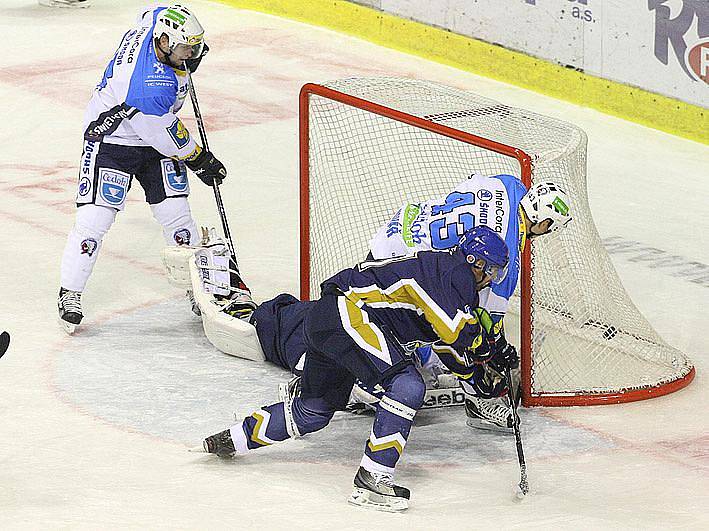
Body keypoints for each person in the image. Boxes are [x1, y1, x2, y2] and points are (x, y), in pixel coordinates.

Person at [197, 226, 515, 512]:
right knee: (407, 384)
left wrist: (481, 380)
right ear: (477, 262)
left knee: (312, 411)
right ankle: (373, 477)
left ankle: (232, 439)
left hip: (330, 319)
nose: (492, 279)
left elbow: (448, 347)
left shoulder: (446, 274)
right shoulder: (453, 272)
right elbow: (457, 333)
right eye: (493, 271)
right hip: (349, 313)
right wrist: (490, 351)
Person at [57, 4, 249, 333]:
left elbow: (153, 11)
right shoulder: (148, 85)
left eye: (196, 45)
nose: (194, 53)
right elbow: (165, 136)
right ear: (164, 42)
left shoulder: (155, 28)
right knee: (94, 221)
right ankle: (70, 292)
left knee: (178, 219)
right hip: (113, 143)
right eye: (188, 48)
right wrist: (201, 160)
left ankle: (197, 290)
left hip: (154, 136)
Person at [369, 173, 572, 431]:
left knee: (426, 324)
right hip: (408, 264)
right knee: (461, 327)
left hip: (400, 231)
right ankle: (477, 403)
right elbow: (483, 321)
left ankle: (398, 362)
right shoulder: (505, 259)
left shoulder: (509, 184)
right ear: (543, 224)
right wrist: (496, 349)